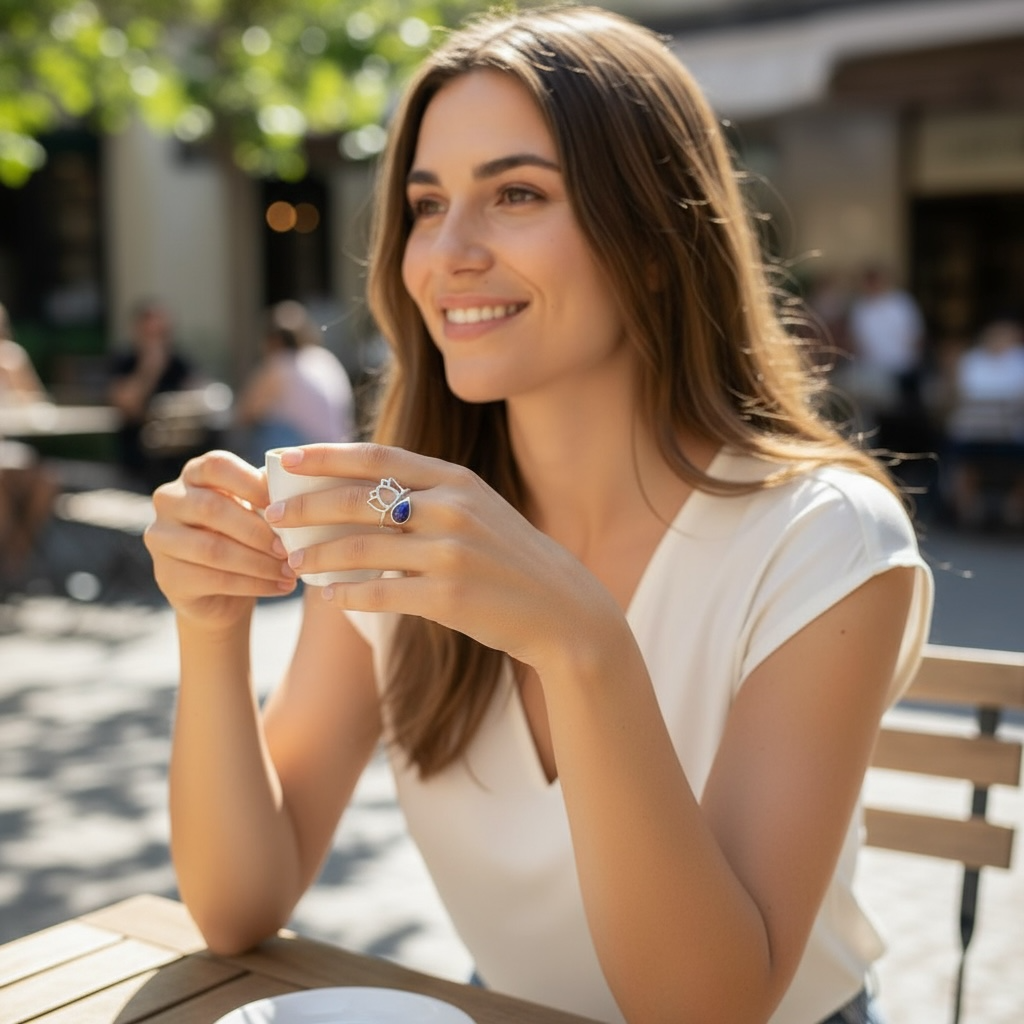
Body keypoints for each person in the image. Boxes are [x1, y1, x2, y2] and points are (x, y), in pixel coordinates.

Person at [144, 9, 933, 1024]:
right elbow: (235, 905)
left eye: (516, 194)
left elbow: (708, 1009)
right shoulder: (399, 517)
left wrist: (582, 642)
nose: (448, 252)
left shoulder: (824, 539)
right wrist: (210, 630)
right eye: (427, 204)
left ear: (656, 239)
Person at [233, 300, 356, 465]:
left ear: (273, 340)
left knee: (267, 428)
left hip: (311, 453)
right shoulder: (324, 358)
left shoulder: (280, 364)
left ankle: (264, 477)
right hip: (343, 449)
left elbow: (245, 412)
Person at [942, 315, 1024, 528]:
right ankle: (967, 511)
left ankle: (1015, 509)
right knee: (961, 458)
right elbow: (959, 396)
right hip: (973, 432)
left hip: (1011, 433)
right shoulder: (970, 360)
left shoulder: (1019, 361)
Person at [108, 299, 197, 488]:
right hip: (138, 459)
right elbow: (127, 406)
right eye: (150, 334)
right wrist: (150, 368)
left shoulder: (178, 363)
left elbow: (196, 396)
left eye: (161, 334)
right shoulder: (124, 361)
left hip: (178, 456)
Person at [0, 302, 59, 583]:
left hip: (12, 452)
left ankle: (16, 561)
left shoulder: (12, 358)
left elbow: (40, 407)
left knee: (47, 481)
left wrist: (15, 377)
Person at [842, 265, 926, 446]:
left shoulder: (901, 303)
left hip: (902, 371)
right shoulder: (860, 307)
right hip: (872, 372)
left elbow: (916, 337)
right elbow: (855, 342)